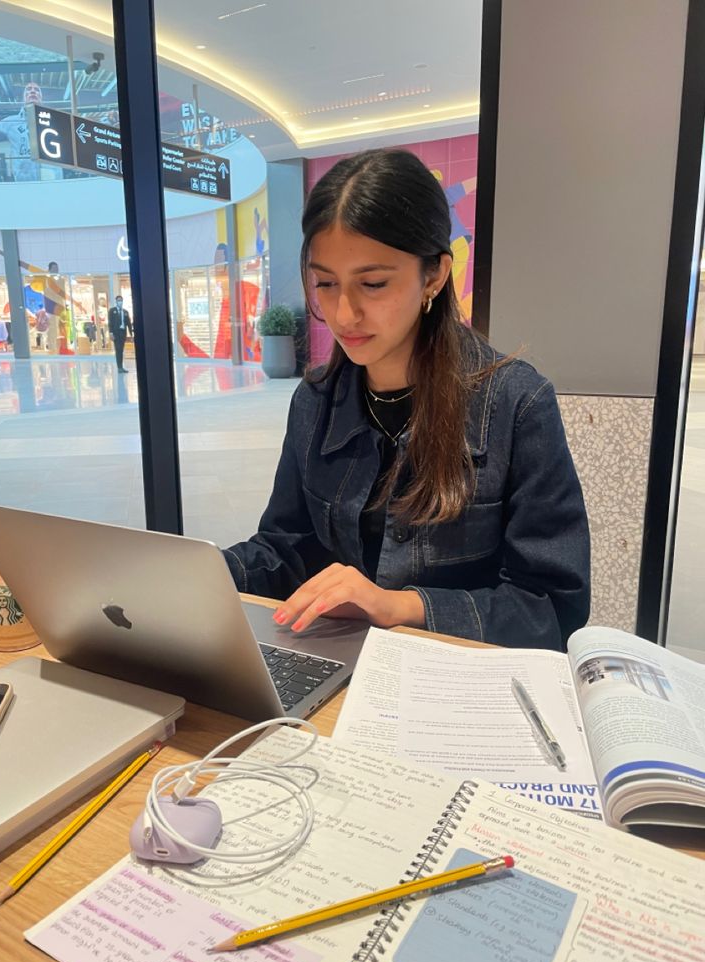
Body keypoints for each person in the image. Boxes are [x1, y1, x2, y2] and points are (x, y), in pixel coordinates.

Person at [223, 149, 590, 651]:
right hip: (339, 669)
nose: (343, 314)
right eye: (325, 284)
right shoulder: (316, 402)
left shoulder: (515, 403)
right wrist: (198, 577)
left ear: (435, 276)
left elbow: (552, 606)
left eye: (373, 284)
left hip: (456, 684)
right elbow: (288, 549)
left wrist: (399, 606)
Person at [108, 295, 133, 373]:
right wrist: (111, 333)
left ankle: (121, 367)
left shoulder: (125, 312)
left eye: (121, 300)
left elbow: (128, 323)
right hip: (116, 333)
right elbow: (110, 322)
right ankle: (119, 367)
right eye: (118, 300)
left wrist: (131, 334)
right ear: (116, 301)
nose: (120, 302)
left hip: (122, 333)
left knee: (121, 350)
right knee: (118, 349)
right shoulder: (112, 311)